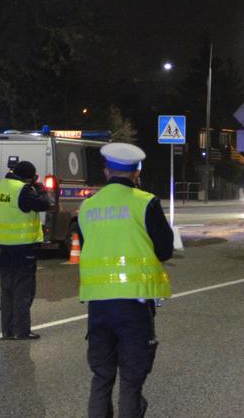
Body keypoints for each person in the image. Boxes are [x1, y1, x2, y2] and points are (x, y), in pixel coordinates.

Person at [75, 143, 174, 418]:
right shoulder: (145, 203)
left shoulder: (87, 207)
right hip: (134, 303)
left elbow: (86, 246)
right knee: (131, 381)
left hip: (98, 305)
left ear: (107, 171)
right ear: (137, 172)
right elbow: (165, 249)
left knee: (102, 377)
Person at [0, 160, 50, 340]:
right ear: (30, 177)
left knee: (7, 290)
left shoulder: (2, 186)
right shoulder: (23, 190)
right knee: (23, 291)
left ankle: (8, 330)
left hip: (5, 247)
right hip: (23, 247)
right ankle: (21, 331)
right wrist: (41, 189)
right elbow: (44, 204)